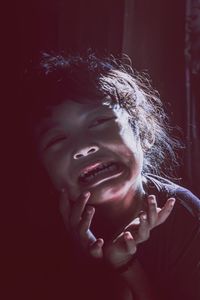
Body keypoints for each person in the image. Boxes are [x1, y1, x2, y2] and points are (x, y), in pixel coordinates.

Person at [24, 51, 200, 300]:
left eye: (99, 122)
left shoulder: (187, 221)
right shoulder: (32, 234)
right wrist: (96, 266)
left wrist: (124, 266)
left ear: (145, 133)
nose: (83, 147)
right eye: (57, 139)